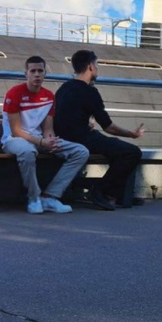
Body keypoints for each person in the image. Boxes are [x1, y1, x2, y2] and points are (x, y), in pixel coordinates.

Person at [54, 49, 145, 211]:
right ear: (90, 66)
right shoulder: (90, 92)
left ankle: (118, 193)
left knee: (116, 150)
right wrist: (133, 134)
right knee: (131, 152)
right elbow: (108, 126)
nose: (97, 68)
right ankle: (100, 191)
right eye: (96, 64)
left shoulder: (64, 88)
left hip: (64, 137)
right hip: (82, 138)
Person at [1, 55, 89, 214]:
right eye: (32, 71)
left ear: (45, 74)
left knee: (80, 151)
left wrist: (51, 140)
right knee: (27, 152)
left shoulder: (49, 96)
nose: (36, 74)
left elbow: (48, 128)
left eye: (40, 71)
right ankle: (34, 198)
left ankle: (50, 197)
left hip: (39, 140)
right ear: (26, 74)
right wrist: (42, 143)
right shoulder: (14, 94)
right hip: (14, 140)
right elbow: (16, 131)